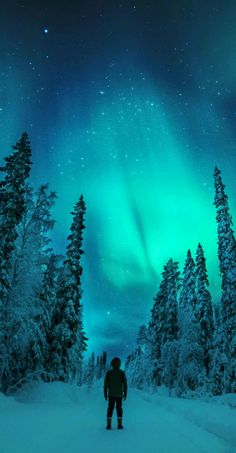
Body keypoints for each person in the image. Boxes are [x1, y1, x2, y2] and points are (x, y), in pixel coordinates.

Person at [104, 356, 128, 430]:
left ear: (112, 364)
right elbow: (125, 383)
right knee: (119, 409)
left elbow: (105, 384)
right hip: (119, 394)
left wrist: (105, 393)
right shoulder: (121, 373)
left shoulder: (109, 373)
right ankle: (119, 425)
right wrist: (125, 392)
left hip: (111, 394)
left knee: (110, 408)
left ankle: (108, 425)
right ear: (119, 364)